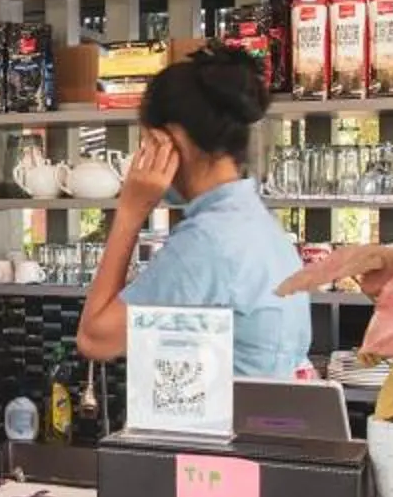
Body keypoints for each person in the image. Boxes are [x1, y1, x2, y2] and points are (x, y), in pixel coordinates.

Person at [75, 48, 312, 380]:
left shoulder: (207, 241)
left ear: (172, 141)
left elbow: (94, 339)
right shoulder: (255, 224)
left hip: (229, 425)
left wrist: (130, 211)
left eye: (146, 144)